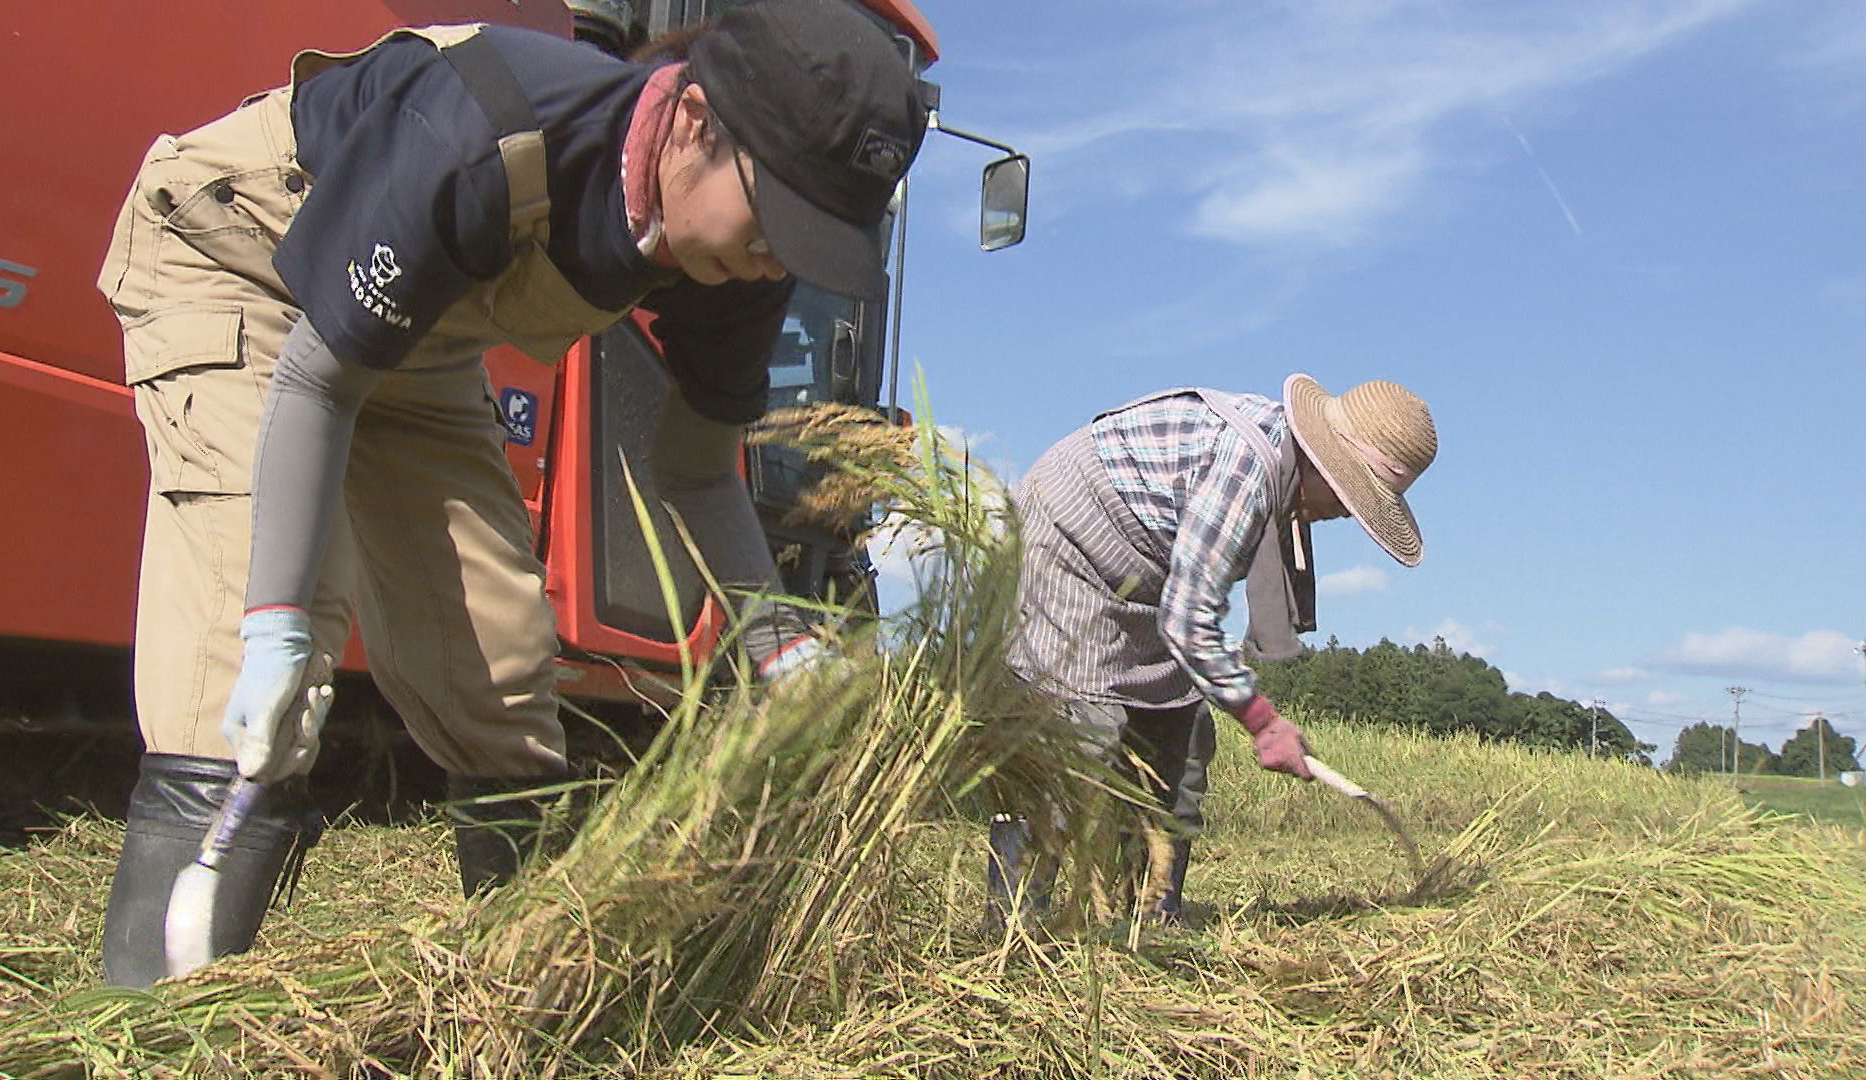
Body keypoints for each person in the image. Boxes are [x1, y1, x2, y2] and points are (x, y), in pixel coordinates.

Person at [93, 0, 926, 987]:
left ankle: (531, 1001)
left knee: (501, 668)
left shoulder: (741, 257)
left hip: (415, 341)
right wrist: (275, 629)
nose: (775, 262)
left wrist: (779, 645)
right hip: (246, 257)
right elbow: (318, 380)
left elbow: (697, 466)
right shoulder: (483, 125)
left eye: (810, 241)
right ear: (697, 121)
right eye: (779, 222)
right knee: (252, 667)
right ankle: (145, 1027)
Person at [988, 378, 1439, 927]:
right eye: (1351, 498)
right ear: (1327, 462)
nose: (1346, 514)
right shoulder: (1247, 472)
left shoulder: (1281, 475)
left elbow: (1188, 606)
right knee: (1077, 745)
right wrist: (1262, 721)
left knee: (1181, 748)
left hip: (1149, 580)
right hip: (1066, 551)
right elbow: (1187, 621)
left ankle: (1144, 924)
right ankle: (1014, 934)